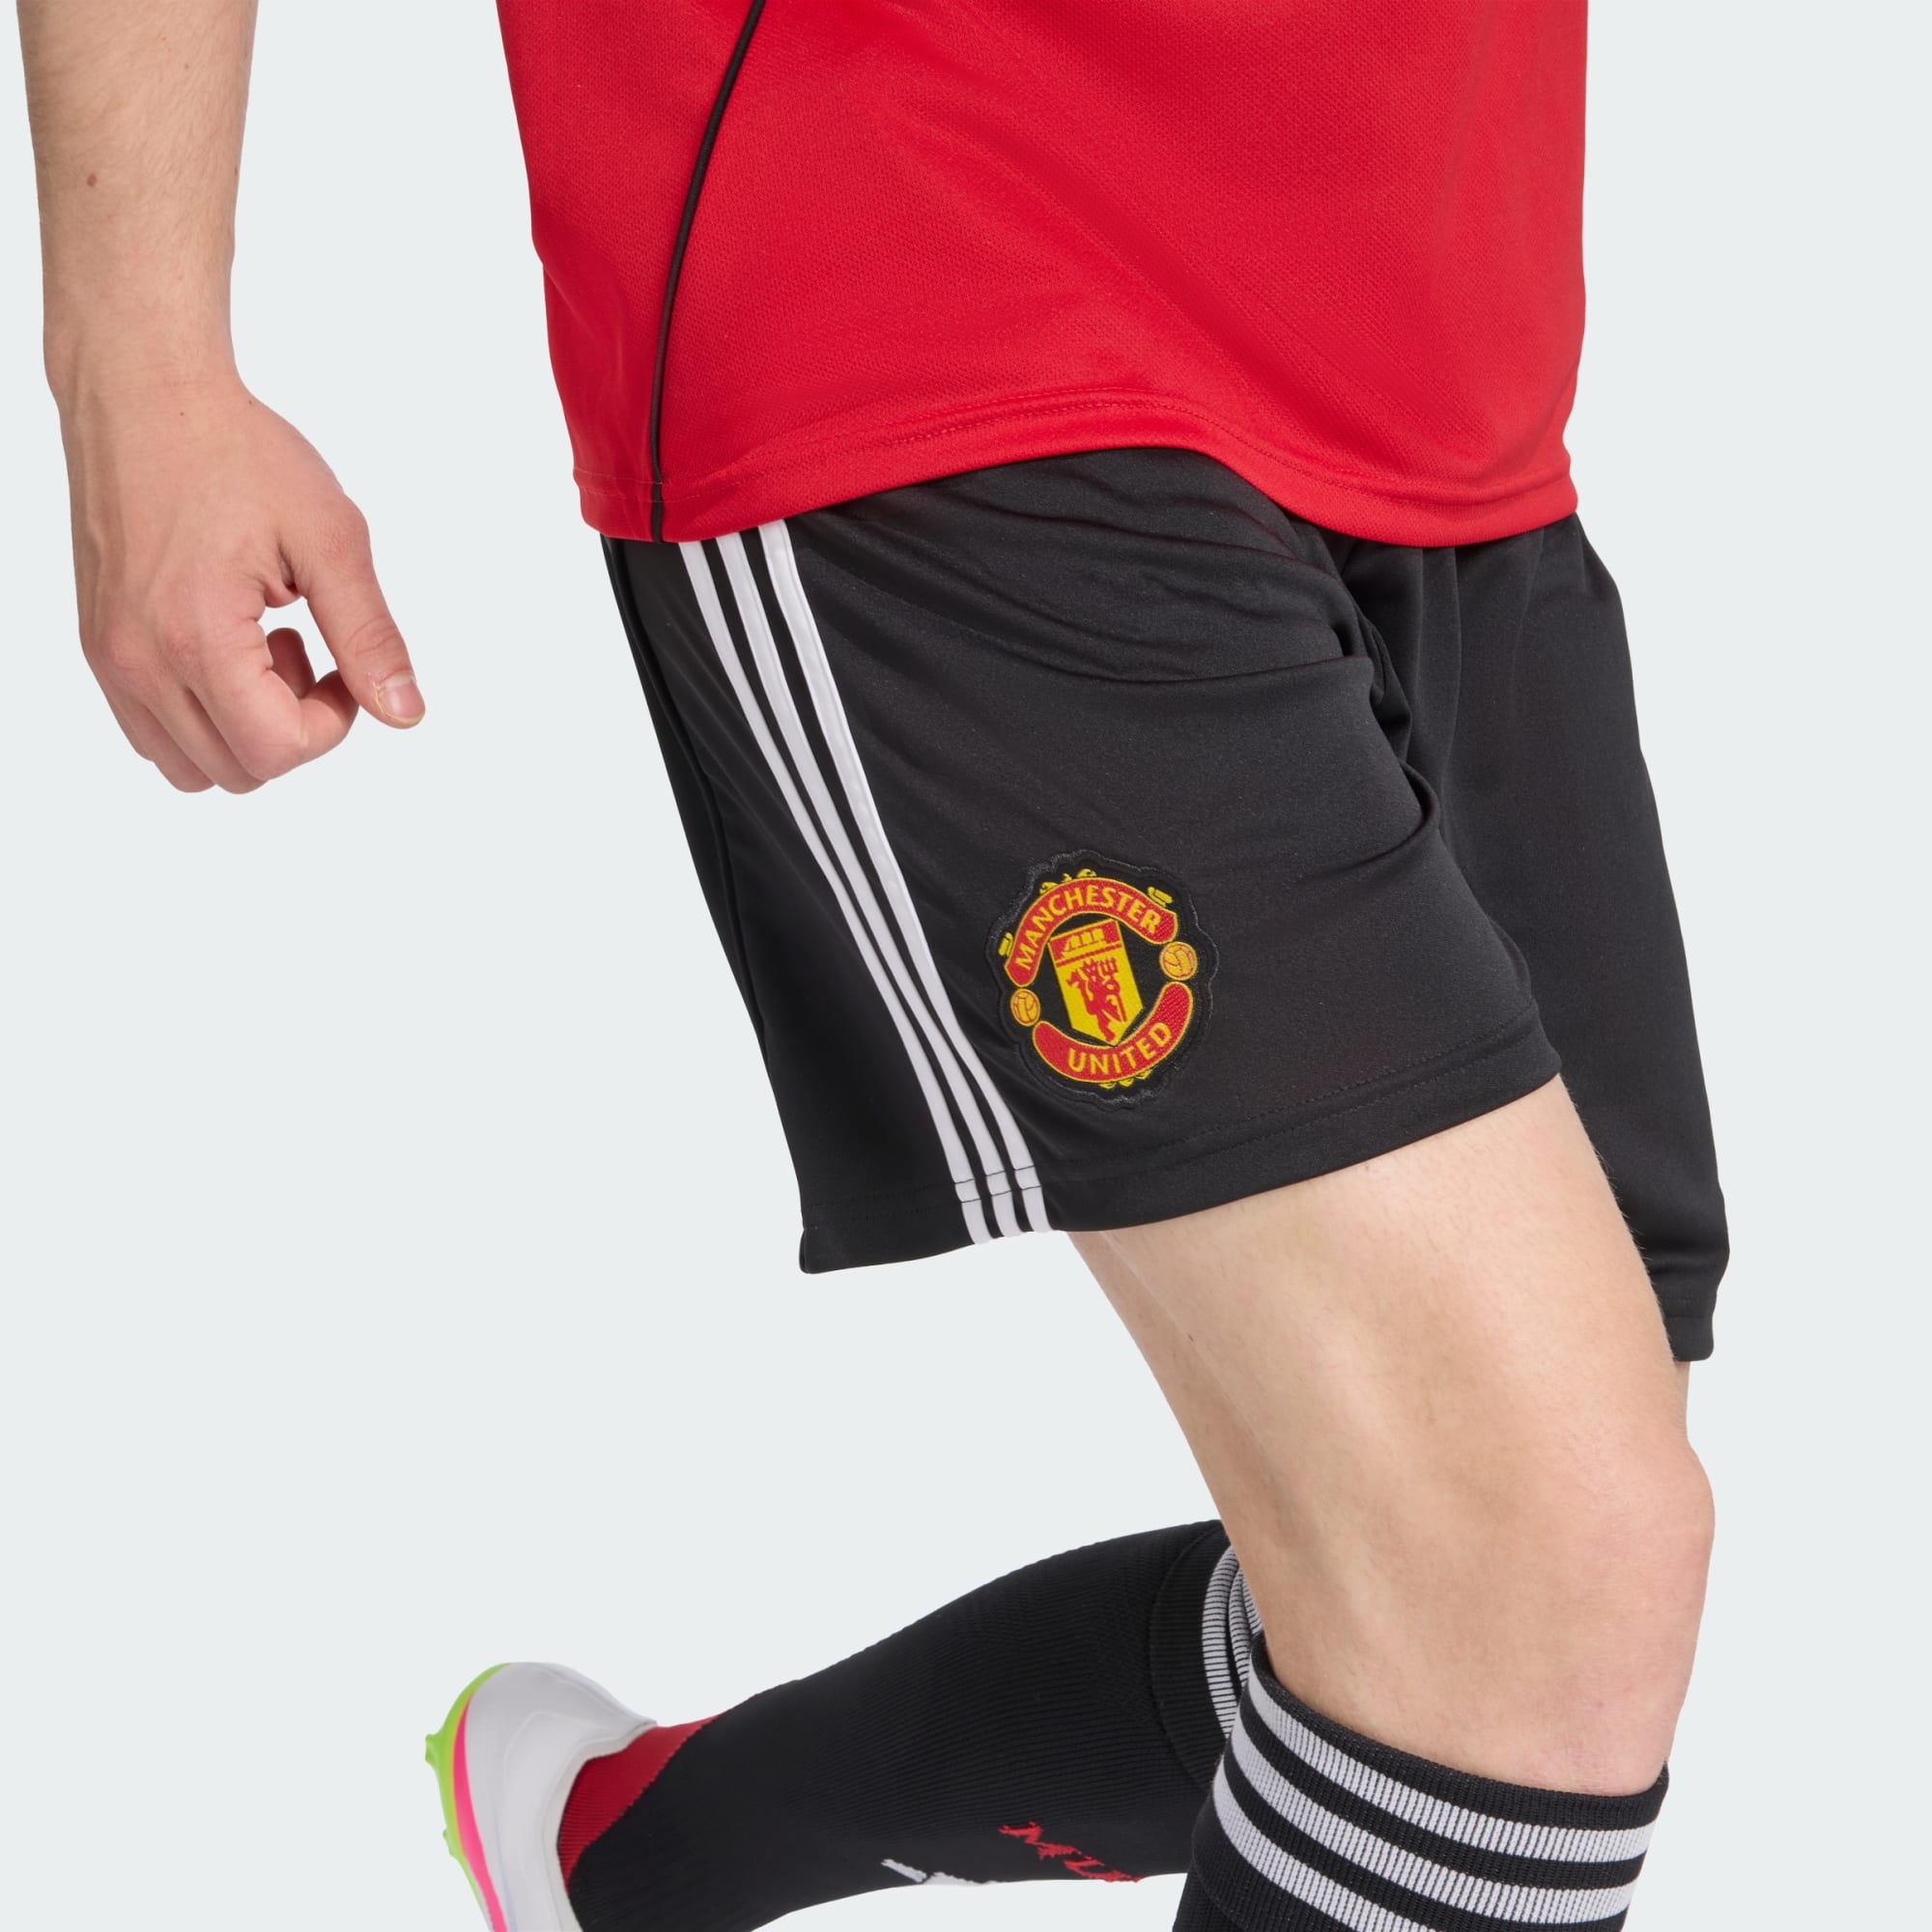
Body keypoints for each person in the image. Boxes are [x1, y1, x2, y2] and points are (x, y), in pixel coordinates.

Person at [17, 3, 1726, 1928]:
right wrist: (135, 354)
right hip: (925, 271)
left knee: (1535, 1541)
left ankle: (630, 1859)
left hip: (1440, 338)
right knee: (1521, 1577)